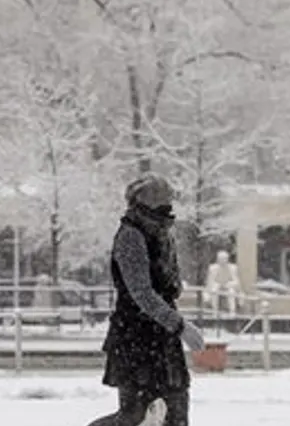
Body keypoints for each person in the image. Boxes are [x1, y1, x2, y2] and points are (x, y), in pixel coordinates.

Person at [88, 176, 206, 426]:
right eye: (164, 201)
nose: (170, 207)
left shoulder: (162, 233)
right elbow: (141, 293)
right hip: (135, 337)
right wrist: (181, 326)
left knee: (176, 416)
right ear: (148, 202)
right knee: (133, 416)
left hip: (162, 337)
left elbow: (165, 284)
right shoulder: (131, 236)